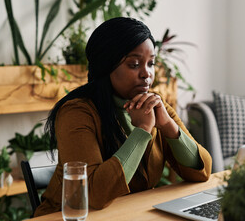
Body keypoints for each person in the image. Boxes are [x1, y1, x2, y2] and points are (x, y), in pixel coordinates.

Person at [34, 17, 212, 217]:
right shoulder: (77, 113)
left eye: (151, 63)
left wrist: (168, 126)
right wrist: (143, 131)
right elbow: (95, 195)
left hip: (127, 214)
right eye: (134, 64)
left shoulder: (154, 105)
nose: (147, 74)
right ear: (106, 66)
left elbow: (202, 172)